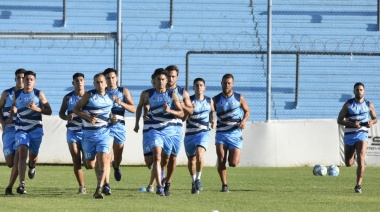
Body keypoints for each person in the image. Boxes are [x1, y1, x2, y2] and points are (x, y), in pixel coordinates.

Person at [9, 70, 52, 194]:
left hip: (36, 130)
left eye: (31, 79)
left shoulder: (39, 94)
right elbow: (14, 106)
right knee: (22, 152)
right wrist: (13, 113)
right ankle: (22, 184)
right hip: (21, 129)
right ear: (23, 81)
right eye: (26, 79)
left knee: (32, 158)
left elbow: (49, 110)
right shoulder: (16, 94)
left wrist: (36, 108)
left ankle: (32, 166)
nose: (28, 81)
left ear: (34, 82)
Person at [142, 68, 183, 196]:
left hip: (169, 131)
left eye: (163, 79)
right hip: (155, 130)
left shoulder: (172, 95)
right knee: (157, 157)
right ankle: (159, 187)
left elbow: (181, 113)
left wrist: (170, 110)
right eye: (158, 79)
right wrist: (145, 113)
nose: (161, 81)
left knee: (166, 160)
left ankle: (164, 179)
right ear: (154, 81)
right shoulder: (149, 94)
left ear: (166, 81)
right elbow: (144, 106)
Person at [73, 73, 114, 199]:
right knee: (90, 164)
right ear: (94, 83)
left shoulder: (111, 97)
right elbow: (76, 110)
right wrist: (88, 117)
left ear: (106, 83)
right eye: (97, 82)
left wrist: (113, 119)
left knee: (103, 159)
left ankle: (99, 188)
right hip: (88, 135)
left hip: (104, 134)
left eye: (101, 82)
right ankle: (102, 184)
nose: (99, 84)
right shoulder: (89, 95)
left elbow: (109, 114)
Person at [337, 82, 377, 193]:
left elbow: (375, 118)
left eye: (360, 89)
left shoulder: (369, 105)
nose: (359, 91)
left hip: (362, 134)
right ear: (353, 91)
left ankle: (358, 185)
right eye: (357, 90)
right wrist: (352, 124)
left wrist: (371, 122)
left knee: (361, 160)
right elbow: (339, 120)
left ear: (364, 91)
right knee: (348, 163)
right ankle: (353, 153)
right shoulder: (348, 105)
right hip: (350, 135)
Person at [213, 73, 250, 193]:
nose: (227, 85)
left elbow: (247, 111)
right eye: (224, 83)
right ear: (221, 83)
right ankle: (224, 185)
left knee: (233, 163)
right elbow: (209, 111)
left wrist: (244, 121)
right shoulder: (216, 99)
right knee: (221, 158)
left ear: (233, 84)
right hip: (221, 133)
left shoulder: (239, 98)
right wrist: (210, 120)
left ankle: (231, 159)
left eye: (229, 83)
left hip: (235, 133)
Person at [162, 65, 193, 196]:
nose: (170, 78)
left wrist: (183, 105)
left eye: (173, 76)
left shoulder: (183, 92)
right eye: (168, 75)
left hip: (176, 128)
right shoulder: (159, 90)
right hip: (162, 127)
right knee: (164, 157)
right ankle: (160, 180)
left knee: (173, 158)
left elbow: (191, 111)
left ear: (177, 77)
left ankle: (167, 183)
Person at [103, 68, 135, 188]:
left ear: (116, 78)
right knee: (106, 156)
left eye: (112, 77)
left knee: (117, 156)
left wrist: (121, 103)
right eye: (108, 78)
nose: (110, 80)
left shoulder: (123, 91)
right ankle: (106, 184)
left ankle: (116, 166)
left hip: (120, 127)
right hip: (106, 127)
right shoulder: (102, 92)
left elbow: (133, 109)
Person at [183, 78, 215, 194]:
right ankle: (193, 181)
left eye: (201, 85)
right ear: (193, 87)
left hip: (203, 132)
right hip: (190, 134)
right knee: (191, 161)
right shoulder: (188, 101)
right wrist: (188, 110)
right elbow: (183, 118)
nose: (199, 87)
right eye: (197, 85)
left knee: (200, 153)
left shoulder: (209, 100)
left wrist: (213, 120)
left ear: (204, 87)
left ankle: (198, 179)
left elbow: (212, 111)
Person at [58, 73, 87, 194]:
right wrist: (66, 117)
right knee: (76, 159)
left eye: (81, 80)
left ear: (84, 82)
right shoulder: (68, 97)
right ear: (73, 83)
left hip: (87, 132)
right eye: (76, 81)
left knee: (89, 163)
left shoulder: (89, 96)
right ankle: (82, 186)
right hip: (72, 131)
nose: (79, 82)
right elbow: (61, 113)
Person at [0, 68, 26, 195]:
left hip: (21, 130)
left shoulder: (29, 95)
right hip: (8, 130)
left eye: (23, 78)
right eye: (19, 78)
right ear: (15, 79)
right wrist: (2, 123)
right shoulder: (7, 93)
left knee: (18, 158)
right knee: (10, 162)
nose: (21, 80)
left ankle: (9, 187)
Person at [133, 73, 156, 193]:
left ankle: (152, 185)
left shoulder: (167, 95)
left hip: (159, 129)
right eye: (155, 80)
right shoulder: (145, 93)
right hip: (147, 129)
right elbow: (140, 107)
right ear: (152, 81)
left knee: (158, 157)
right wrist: (137, 123)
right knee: (148, 160)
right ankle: (157, 174)